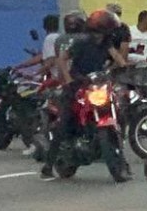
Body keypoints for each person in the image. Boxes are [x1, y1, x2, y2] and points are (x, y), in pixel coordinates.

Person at [42, 10, 127, 178]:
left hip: (97, 83)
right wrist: (67, 80)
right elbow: (62, 59)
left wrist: (123, 66)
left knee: (118, 109)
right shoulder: (82, 42)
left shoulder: (106, 43)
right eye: (110, 28)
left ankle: (122, 163)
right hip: (77, 84)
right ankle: (48, 165)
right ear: (102, 28)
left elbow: (117, 57)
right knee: (64, 123)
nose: (112, 31)